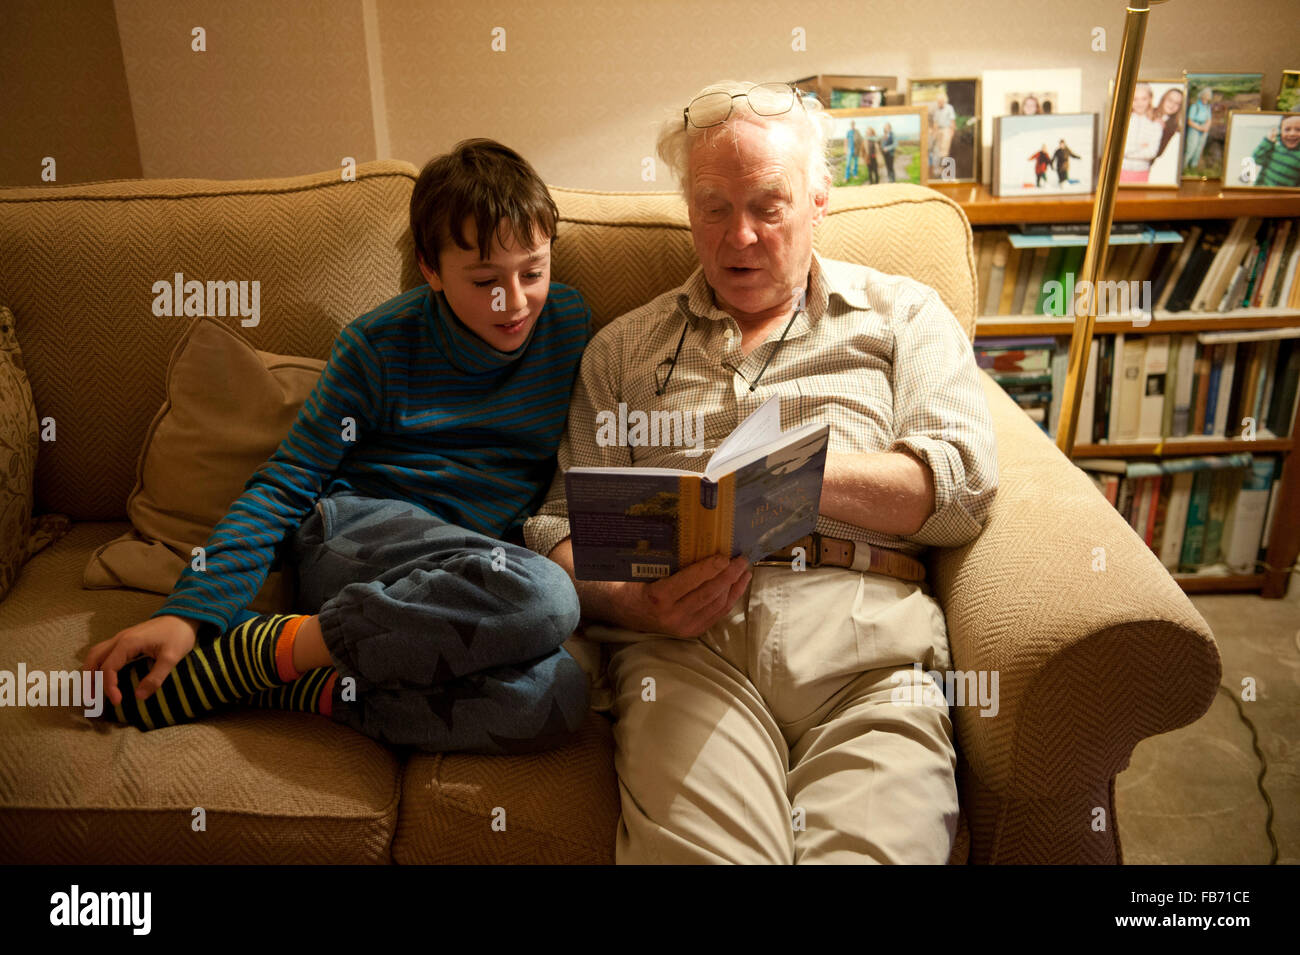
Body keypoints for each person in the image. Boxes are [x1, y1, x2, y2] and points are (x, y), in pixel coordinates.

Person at [524, 79, 999, 864]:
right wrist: (635, 603)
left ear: (818, 201)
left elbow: (962, 486)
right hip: (685, 652)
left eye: (767, 206)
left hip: (866, 646)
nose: (738, 238)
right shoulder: (621, 350)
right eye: (714, 206)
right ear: (687, 209)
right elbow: (556, 530)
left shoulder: (902, 315)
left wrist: (796, 478)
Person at [83, 139, 593, 755]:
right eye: (484, 279)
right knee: (548, 595)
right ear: (431, 270)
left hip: (469, 573)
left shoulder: (568, 325)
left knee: (559, 694)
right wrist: (187, 612)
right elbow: (285, 483)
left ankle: (296, 680)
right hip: (359, 536)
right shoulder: (378, 346)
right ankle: (275, 647)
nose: (513, 302)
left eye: (532, 272)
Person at [1120, 82, 1165, 183]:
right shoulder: (1122, 122)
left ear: (1150, 99)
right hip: (1121, 171)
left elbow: (1152, 152)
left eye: (1144, 99)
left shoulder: (1156, 124)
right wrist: (1140, 147)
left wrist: (1127, 153)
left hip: (1142, 171)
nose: (1139, 103)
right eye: (1135, 99)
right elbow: (1120, 149)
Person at [1250, 113, 1300, 187]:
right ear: (1280, 131)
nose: (1292, 133)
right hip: (1261, 191)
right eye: (1287, 129)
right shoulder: (1274, 147)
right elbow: (1256, 159)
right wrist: (1268, 141)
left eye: (1298, 130)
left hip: (1283, 196)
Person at [1184, 86, 1214, 174]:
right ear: (1202, 96)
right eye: (1206, 95)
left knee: (1199, 148)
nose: (1207, 98)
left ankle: (1193, 166)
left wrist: (1206, 127)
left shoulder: (1208, 107)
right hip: (1195, 128)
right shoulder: (1195, 106)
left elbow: (1209, 119)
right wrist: (1200, 128)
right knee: (1191, 148)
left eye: (1209, 96)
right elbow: (1190, 121)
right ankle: (1184, 166)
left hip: (1204, 129)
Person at [1153, 86, 1185, 163]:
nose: (1172, 105)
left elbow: (1159, 152)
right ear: (1163, 99)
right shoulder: (1149, 112)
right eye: (1170, 100)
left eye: (1177, 103)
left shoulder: (1172, 126)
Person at [929, 93, 957, 177]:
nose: (939, 103)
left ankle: (946, 171)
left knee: (944, 151)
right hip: (938, 130)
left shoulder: (949, 108)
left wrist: (952, 132)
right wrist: (933, 133)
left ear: (944, 101)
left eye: (941, 101)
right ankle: (937, 170)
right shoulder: (936, 110)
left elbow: (952, 121)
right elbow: (935, 123)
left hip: (946, 130)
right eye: (938, 102)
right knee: (936, 150)